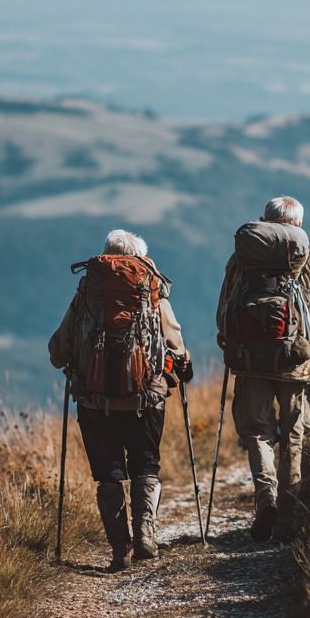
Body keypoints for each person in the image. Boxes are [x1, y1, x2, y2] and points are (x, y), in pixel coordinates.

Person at [49, 229, 192, 571]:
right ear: (140, 258)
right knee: (146, 466)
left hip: (94, 400)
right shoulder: (152, 290)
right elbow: (175, 346)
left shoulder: (88, 292)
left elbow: (58, 352)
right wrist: (182, 366)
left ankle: (119, 551)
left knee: (108, 475)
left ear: (106, 256)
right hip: (146, 398)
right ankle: (145, 535)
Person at [216, 196, 310, 543]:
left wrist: (234, 343)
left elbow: (223, 312)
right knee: (294, 438)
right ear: (299, 225)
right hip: (298, 364)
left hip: (250, 363)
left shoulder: (242, 258)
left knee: (257, 434)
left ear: (265, 221)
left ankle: (266, 501)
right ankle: (287, 520)